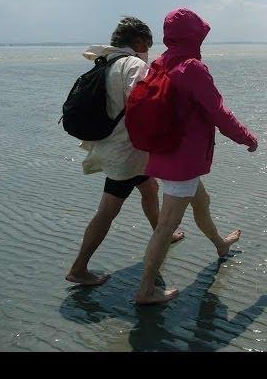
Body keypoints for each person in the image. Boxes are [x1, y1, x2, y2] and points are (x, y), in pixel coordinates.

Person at [134, 8, 258, 305]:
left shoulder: (161, 63)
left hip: (163, 153)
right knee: (166, 227)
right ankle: (145, 290)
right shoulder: (192, 68)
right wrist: (247, 138)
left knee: (201, 202)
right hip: (183, 160)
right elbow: (219, 113)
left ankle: (220, 245)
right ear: (195, 36)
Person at [66, 17, 184, 286]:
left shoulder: (106, 62)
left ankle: (163, 231)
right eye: (148, 46)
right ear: (140, 42)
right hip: (125, 152)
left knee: (149, 187)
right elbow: (144, 102)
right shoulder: (133, 65)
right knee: (108, 210)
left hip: (117, 146)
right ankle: (79, 268)